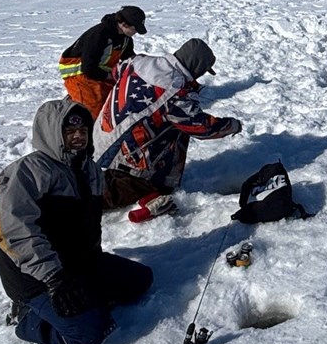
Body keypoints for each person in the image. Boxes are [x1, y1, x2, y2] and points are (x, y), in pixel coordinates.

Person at [0, 98, 154, 344]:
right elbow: (16, 234)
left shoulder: (88, 169)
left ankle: (84, 300)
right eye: (69, 132)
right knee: (88, 334)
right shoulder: (27, 173)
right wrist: (54, 278)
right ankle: (26, 315)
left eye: (82, 131)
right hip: (37, 277)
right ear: (52, 134)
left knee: (140, 281)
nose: (78, 137)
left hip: (78, 264)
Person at [93, 38, 243, 219]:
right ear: (197, 67)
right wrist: (232, 125)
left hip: (99, 139)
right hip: (125, 161)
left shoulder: (138, 61)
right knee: (101, 196)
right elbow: (201, 127)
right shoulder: (176, 92)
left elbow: (116, 71)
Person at [58, 5, 145, 114]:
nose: (136, 32)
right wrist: (110, 76)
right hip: (80, 76)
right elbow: (88, 67)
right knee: (94, 111)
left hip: (100, 75)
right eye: (135, 28)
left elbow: (129, 59)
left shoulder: (125, 39)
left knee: (115, 103)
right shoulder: (99, 34)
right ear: (124, 24)